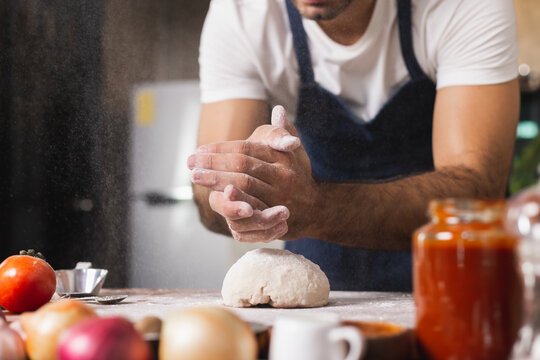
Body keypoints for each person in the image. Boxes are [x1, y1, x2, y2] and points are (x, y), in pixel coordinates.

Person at [188, 0, 520, 291]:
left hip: (462, 289)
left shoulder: (459, 5)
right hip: (327, 300)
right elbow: (208, 189)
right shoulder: (242, 13)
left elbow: (477, 191)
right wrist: (245, 189)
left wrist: (317, 208)